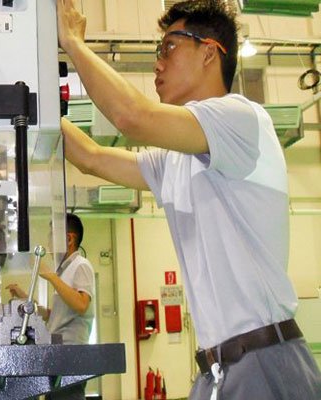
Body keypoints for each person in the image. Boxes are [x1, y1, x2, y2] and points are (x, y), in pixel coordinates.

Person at [56, 0, 321, 399]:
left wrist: (74, 43)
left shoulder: (241, 119)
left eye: (168, 48)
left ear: (210, 53)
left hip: (264, 361)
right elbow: (91, 158)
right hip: (218, 368)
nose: (157, 64)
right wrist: (26, 99)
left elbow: (132, 117)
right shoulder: (176, 158)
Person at [7, 213, 95, 400]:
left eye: (52, 236)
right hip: (59, 353)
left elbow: (82, 304)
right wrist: (24, 298)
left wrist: (52, 277)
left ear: (69, 239)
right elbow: (51, 315)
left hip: (72, 355)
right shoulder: (64, 271)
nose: (49, 242)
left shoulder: (81, 265)